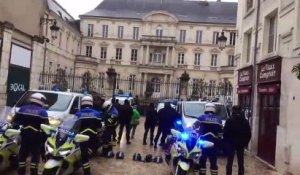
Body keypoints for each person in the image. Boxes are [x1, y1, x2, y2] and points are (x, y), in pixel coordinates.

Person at [12, 93, 49, 175]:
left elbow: (15, 122)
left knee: (22, 154)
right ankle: (33, 172)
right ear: (40, 101)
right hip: (36, 137)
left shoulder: (22, 109)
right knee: (35, 156)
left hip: (24, 135)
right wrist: (44, 138)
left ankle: (21, 172)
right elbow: (46, 127)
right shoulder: (43, 112)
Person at [75, 95, 102, 175]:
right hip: (93, 137)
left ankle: (87, 172)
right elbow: (99, 125)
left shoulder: (78, 114)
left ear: (82, 103)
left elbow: (74, 126)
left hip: (81, 138)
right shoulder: (97, 114)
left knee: (84, 157)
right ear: (91, 103)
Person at [193, 103, 223, 175]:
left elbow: (193, 127)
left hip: (203, 143)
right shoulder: (219, 120)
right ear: (214, 109)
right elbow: (221, 134)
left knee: (202, 161)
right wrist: (218, 140)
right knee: (213, 163)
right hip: (214, 144)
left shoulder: (201, 118)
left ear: (206, 108)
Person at [224, 105, 251, 175]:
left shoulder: (229, 120)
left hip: (231, 144)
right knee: (241, 163)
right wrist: (245, 143)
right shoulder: (245, 121)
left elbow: (225, 132)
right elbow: (249, 134)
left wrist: (227, 143)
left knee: (229, 162)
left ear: (233, 111)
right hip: (241, 144)